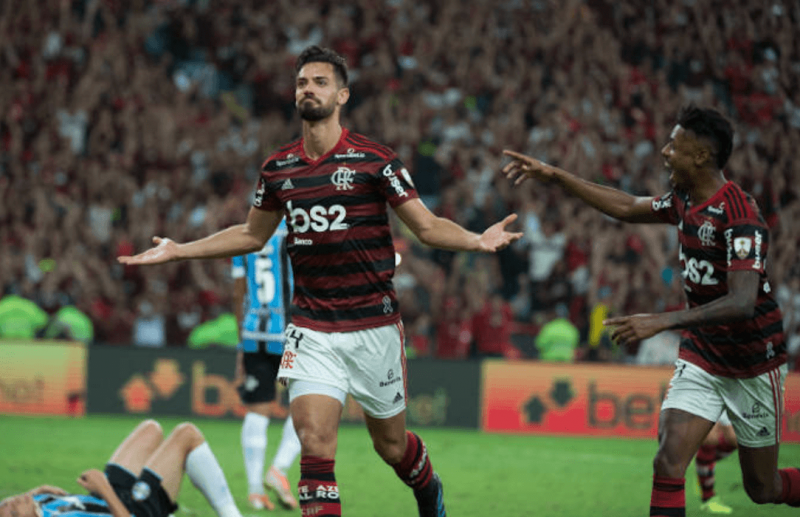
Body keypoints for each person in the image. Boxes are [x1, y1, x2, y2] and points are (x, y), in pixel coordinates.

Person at [119, 45, 522, 517]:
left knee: (392, 448)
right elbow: (252, 234)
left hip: (374, 325)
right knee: (314, 445)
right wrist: (180, 249)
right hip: (311, 326)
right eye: (302, 83)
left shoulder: (376, 160)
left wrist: (477, 241)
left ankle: (428, 489)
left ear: (342, 95)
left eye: (320, 82)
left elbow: (427, 226)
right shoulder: (278, 168)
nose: (309, 89)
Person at [501, 105, 800, 515]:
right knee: (668, 460)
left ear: (700, 156)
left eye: (674, 146)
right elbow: (625, 207)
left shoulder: (740, 214)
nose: (664, 151)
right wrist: (555, 175)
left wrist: (662, 321)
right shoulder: (683, 199)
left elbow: (743, 302)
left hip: (753, 360)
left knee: (762, 488)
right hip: (703, 355)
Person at [0, 420, 242, 517]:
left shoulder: (39, 504)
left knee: (151, 429)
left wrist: (37, 492)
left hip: (110, 496)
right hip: (132, 510)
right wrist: (103, 488)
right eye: (12, 512)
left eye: (5, 502)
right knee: (187, 434)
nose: (12, 502)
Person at [232, 219, 301, 510]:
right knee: (309, 405)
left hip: (253, 333)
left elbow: (238, 293)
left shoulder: (243, 233)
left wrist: (241, 342)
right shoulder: (296, 230)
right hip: (290, 331)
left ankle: (254, 490)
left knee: (258, 410)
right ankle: (279, 469)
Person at [695, 413, 738, 514]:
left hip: (730, 398)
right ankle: (708, 498)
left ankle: (702, 466)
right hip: (706, 399)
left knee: (735, 438)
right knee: (710, 438)